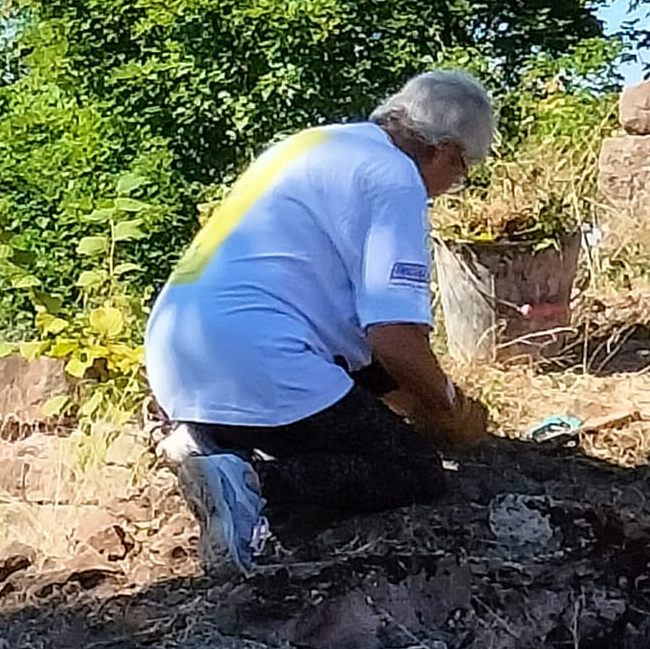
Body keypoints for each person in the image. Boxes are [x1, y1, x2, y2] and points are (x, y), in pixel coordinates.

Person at [145, 69, 495, 573]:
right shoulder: (395, 180)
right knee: (413, 467)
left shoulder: (316, 144)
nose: (453, 185)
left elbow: (368, 346)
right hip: (255, 357)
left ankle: (215, 438)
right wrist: (449, 405)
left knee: (365, 398)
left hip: (181, 354)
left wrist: (412, 393)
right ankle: (250, 485)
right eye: (463, 170)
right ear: (445, 151)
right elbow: (395, 339)